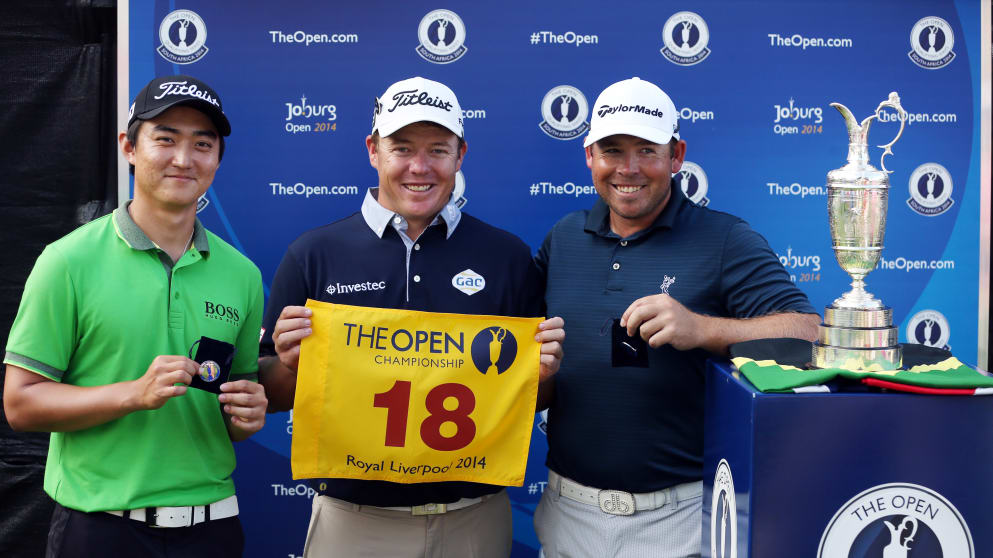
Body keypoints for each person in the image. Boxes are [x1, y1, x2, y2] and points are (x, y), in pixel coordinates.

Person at [258, 76, 565, 558]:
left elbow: (532, 395)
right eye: (401, 148)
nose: (419, 167)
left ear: (460, 155)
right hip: (354, 522)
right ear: (373, 150)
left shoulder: (506, 257)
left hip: (474, 518)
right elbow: (272, 395)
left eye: (438, 150)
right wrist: (291, 364)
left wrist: (543, 376)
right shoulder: (313, 255)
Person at [533, 77, 820, 558]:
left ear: (677, 155)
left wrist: (705, 329)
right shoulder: (563, 238)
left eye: (647, 150)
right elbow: (529, 365)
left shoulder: (725, 239)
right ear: (589, 157)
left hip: (679, 521)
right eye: (612, 150)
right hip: (567, 513)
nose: (629, 169)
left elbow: (810, 334)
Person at [3, 75, 268, 558]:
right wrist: (133, 393)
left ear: (217, 159)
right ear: (128, 146)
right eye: (165, 139)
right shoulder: (67, 261)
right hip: (100, 529)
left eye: (202, 144)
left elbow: (229, 406)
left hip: (212, 527)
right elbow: (20, 405)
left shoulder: (243, 275)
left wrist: (246, 415)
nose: (184, 159)